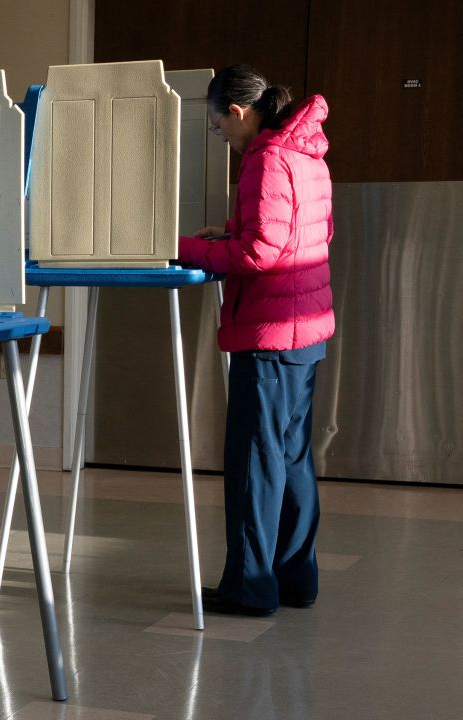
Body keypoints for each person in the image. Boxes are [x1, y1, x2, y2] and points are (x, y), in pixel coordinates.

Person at [179, 64, 335, 616]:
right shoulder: (305, 153)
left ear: (239, 112)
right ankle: (296, 579)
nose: (219, 135)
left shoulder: (265, 159)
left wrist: (189, 248)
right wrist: (231, 231)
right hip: (305, 329)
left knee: (254, 460)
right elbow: (298, 235)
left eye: (219, 125)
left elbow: (258, 255)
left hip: (269, 333)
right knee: (290, 458)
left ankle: (249, 587)